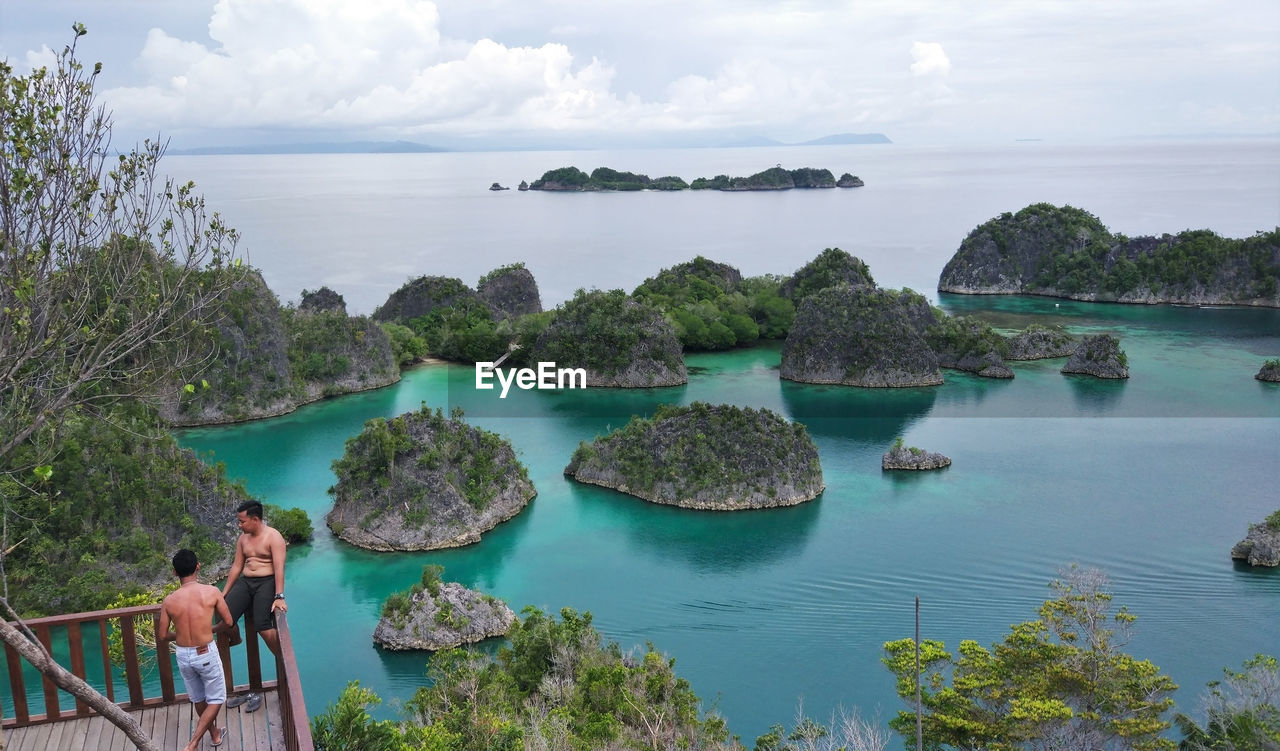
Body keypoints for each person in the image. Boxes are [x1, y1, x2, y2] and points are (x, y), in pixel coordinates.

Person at [158, 549, 233, 751]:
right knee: (217, 698)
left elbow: (163, 635)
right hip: (205, 652)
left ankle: (215, 735)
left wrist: (180, 636)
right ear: (198, 566)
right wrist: (212, 630)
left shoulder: (169, 601)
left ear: (175, 573)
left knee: (198, 698)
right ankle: (193, 743)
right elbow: (228, 621)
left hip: (184, 655)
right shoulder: (211, 592)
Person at [221, 500, 288, 709]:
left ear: (255, 519)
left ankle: (284, 659)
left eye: (242, 521)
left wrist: (279, 595)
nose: (239, 525)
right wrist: (223, 594)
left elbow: (279, 568)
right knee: (225, 616)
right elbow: (237, 566)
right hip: (246, 581)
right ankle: (237, 638)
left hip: (266, 583)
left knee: (263, 626)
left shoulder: (273, 537)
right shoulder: (243, 539)